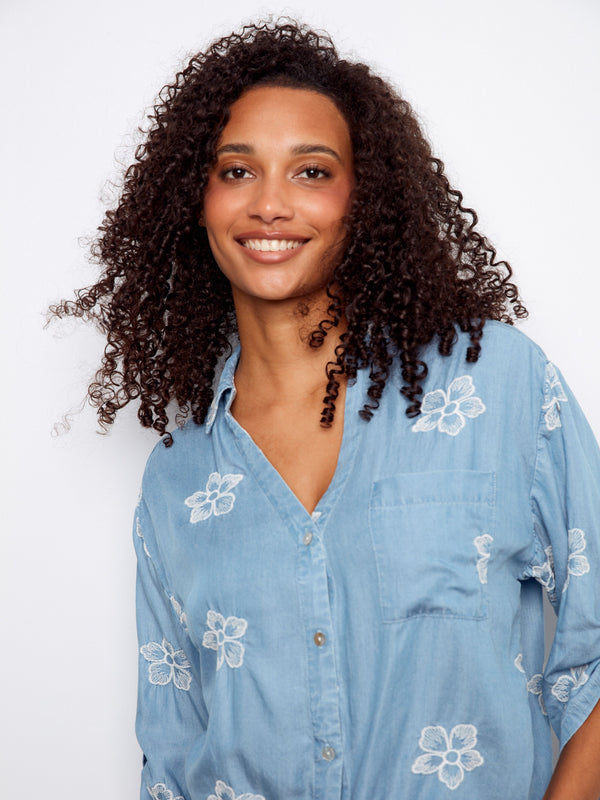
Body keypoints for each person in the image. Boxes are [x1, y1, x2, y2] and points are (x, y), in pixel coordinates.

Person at [51, 20, 600, 800]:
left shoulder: (498, 386)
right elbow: (172, 755)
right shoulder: (179, 477)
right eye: (236, 170)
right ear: (196, 201)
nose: (270, 204)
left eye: (311, 171)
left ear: (362, 199)